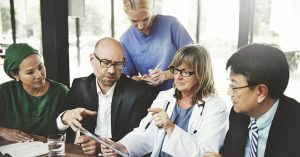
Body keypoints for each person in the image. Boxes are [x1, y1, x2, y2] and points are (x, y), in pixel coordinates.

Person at [101, 44, 228, 157]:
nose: (178, 77)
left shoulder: (216, 107)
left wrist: (171, 128)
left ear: (201, 74)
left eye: (185, 72)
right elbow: (145, 134)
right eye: (176, 70)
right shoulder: (164, 97)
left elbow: (206, 153)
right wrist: (121, 147)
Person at [56, 37, 154, 155]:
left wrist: (100, 146)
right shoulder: (79, 86)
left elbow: (140, 138)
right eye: (106, 63)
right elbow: (56, 126)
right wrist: (65, 117)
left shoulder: (137, 92)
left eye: (118, 64)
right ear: (92, 59)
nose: (112, 71)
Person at [203, 43, 300, 157]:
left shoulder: (295, 124)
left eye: (234, 86)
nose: (229, 92)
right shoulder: (238, 115)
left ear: (261, 92)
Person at [121, 0, 194, 98]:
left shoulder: (172, 24)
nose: (141, 26)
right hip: (149, 97)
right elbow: (131, 76)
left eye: (145, 19)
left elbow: (194, 59)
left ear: (152, 9)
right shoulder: (126, 39)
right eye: (134, 21)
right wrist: (142, 80)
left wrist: (166, 75)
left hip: (182, 93)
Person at [0, 43, 68, 142]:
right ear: (15, 74)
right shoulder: (4, 93)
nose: (39, 75)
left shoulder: (61, 92)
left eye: (40, 67)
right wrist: (2, 131)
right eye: (30, 72)